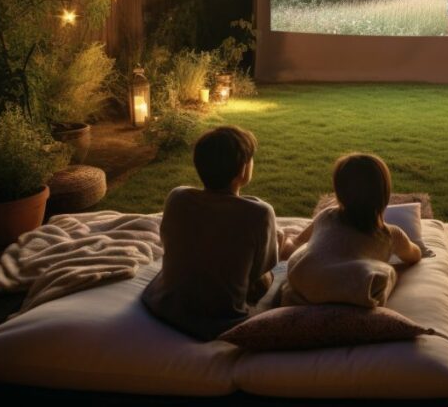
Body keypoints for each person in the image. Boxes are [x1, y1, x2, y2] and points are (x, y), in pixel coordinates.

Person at [141, 125, 278, 340]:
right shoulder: (259, 213)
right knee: (269, 278)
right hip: (221, 320)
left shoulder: (177, 197)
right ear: (243, 169)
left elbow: (169, 241)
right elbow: (259, 271)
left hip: (164, 304)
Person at [280, 153, 422, 308]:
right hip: (356, 291)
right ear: (384, 193)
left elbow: (296, 243)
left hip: (306, 284)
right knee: (389, 273)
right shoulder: (391, 234)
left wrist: (288, 240)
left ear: (339, 192)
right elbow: (414, 256)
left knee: (300, 251)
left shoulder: (327, 215)